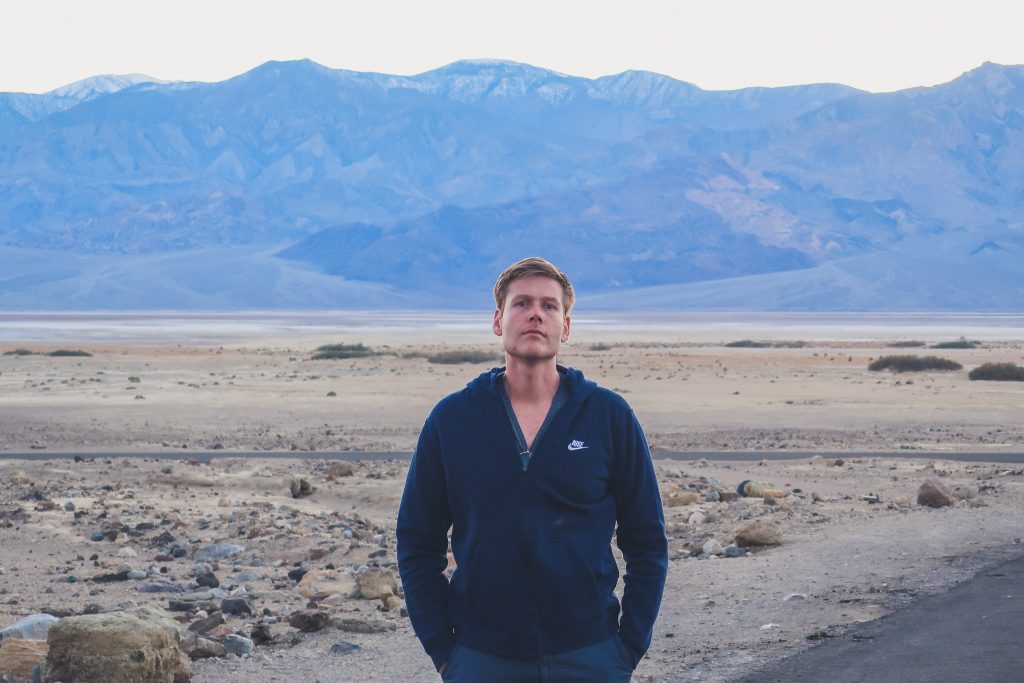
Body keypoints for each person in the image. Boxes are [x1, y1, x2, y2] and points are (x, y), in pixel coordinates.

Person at [397, 257, 668, 682]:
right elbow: (417, 541)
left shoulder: (607, 417)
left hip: (591, 654)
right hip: (481, 656)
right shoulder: (452, 421)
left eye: (550, 305)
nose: (536, 314)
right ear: (498, 320)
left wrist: (628, 646)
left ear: (566, 327)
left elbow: (648, 541)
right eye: (522, 303)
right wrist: (443, 649)